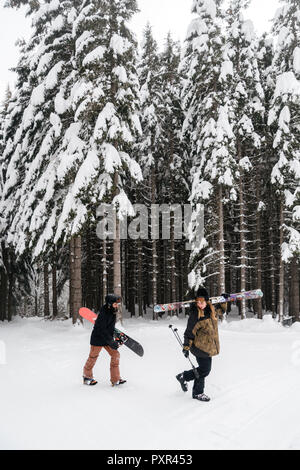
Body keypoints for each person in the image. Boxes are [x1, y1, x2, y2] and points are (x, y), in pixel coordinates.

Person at [176, 287, 228, 402]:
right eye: (198, 301)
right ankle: (197, 392)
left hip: (208, 346)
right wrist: (186, 347)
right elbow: (189, 332)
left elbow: (221, 311)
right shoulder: (195, 315)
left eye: (202, 301)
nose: (200, 304)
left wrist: (223, 301)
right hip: (199, 347)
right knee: (204, 370)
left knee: (203, 369)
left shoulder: (211, 310)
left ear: (207, 301)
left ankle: (183, 377)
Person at [83, 293, 126, 387]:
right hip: (98, 338)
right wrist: (111, 341)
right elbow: (101, 329)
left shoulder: (112, 311)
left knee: (115, 354)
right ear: (110, 304)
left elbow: (109, 327)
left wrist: (115, 338)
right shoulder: (104, 313)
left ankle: (115, 379)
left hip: (107, 338)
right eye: (115, 304)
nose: (117, 306)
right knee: (93, 357)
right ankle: (87, 377)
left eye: (117, 304)